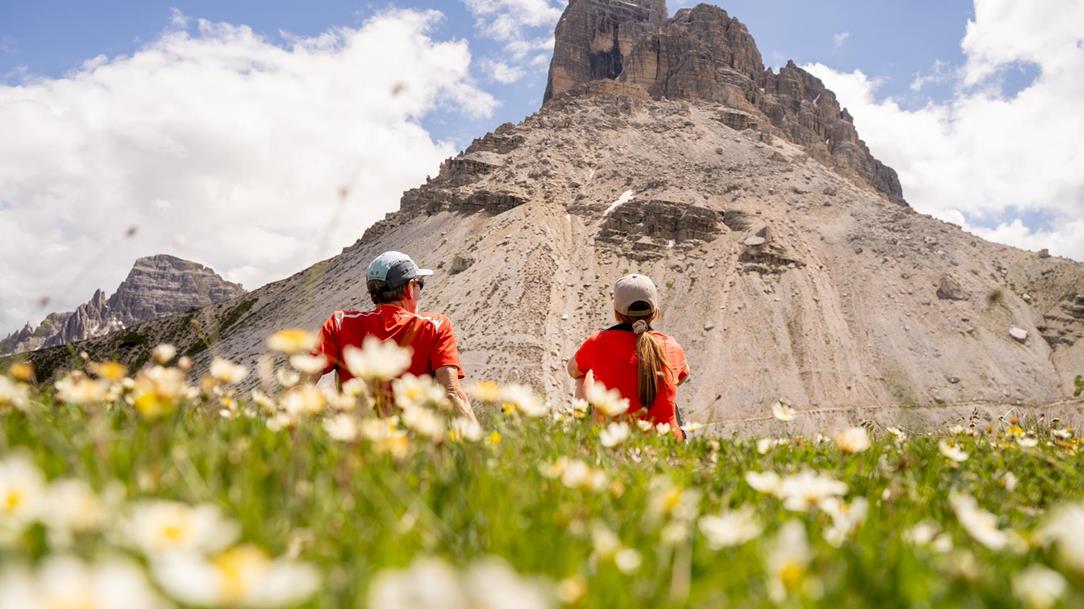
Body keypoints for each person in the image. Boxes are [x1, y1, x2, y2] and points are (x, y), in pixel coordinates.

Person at [315, 251, 475, 421]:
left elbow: (301, 386)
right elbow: (451, 393)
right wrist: (480, 443)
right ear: (409, 289)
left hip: (355, 443)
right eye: (419, 284)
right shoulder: (435, 326)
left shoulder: (339, 323)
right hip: (412, 442)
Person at [567, 274, 690, 439]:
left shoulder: (599, 342)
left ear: (617, 313)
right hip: (666, 443)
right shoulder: (672, 346)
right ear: (655, 313)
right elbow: (682, 376)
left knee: (584, 374)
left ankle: (585, 440)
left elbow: (573, 371)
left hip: (616, 439)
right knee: (667, 388)